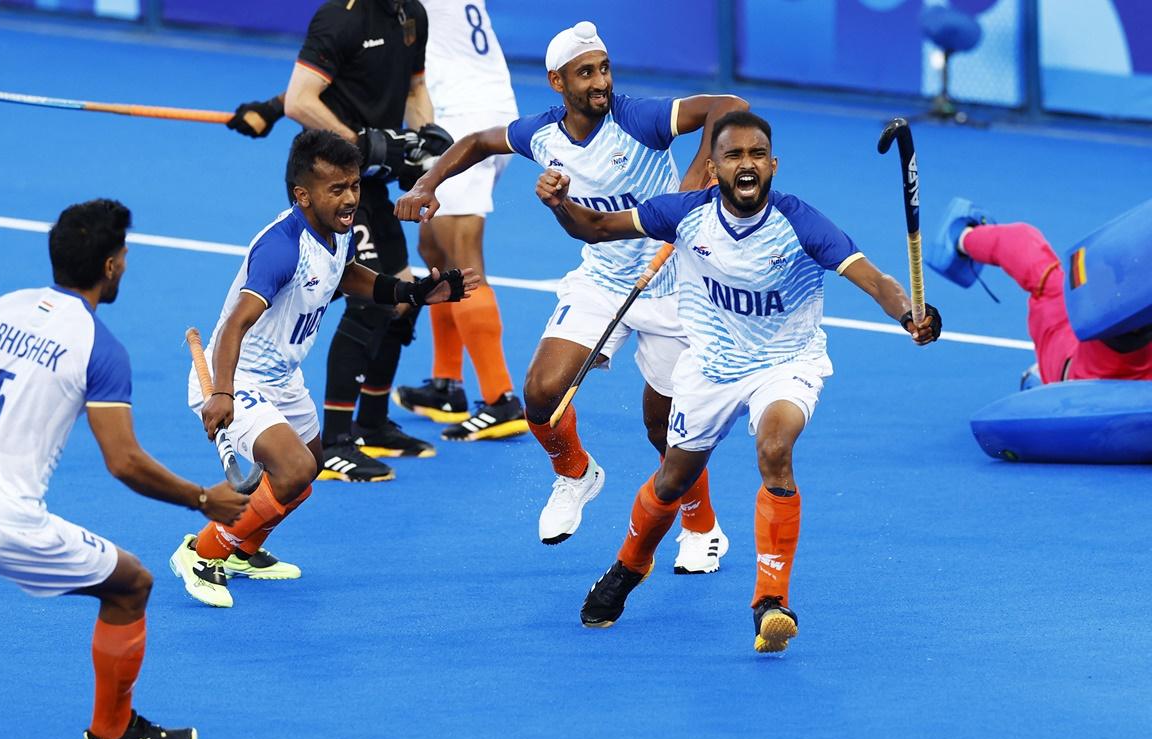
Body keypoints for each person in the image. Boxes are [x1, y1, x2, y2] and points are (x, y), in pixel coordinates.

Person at [535, 111, 941, 652]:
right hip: (710, 366)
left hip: (785, 363)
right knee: (673, 480)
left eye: (756, 155)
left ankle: (770, 602)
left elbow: (873, 279)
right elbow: (596, 228)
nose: (745, 164)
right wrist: (561, 203)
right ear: (715, 166)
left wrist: (908, 312)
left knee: (775, 447)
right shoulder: (685, 215)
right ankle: (629, 566)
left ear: (772, 164)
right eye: (732, 155)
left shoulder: (801, 223)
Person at [396, 21, 748, 574]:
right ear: (557, 81)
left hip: (675, 283)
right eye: (587, 72)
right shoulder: (543, 136)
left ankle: (702, 527)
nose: (601, 81)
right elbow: (476, 142)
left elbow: (728, 103)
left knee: (666, 427)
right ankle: (576, 473)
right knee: (541, 393)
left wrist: (698, 172)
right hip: (604, 278)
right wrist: (426, 185)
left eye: (605, 67)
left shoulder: (639, 119)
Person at [0, 199, 250, 739]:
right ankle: (113, 735)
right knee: (131, 584)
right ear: (111, 266)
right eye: (124, 254)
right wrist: (202, 499)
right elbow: (125, 462)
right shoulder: (100, 347)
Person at [171, 130, 475, 609]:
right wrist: (223, 395)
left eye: (354, 185)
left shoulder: (338, 232)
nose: (351, 197)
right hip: (237, 377)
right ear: (303, 195)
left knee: (306, 470)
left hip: (282, 380)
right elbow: (233, 328)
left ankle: (243, 549)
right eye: (337, 189)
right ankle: (203, 552)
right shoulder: (281, 248)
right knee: (290, 469)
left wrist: (412, 294)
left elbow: (347, 274)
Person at [226, 0, 455, 480]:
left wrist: (424, 135)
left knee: (401, 300)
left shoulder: (412, 13)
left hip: (371, 182)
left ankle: (371, 423)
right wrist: (361, 143)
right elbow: (301, 99)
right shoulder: (341, 16)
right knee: (369, 301)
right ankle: (334, 439)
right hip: (335, 184)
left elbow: (413, 87)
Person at [391, 0, 528, 442]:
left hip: (463, 122)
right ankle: (447, 386)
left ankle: (500, 398)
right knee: (434, 246)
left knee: (464, 258)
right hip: (487, 112)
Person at [927, 198, 1152, 385]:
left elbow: (1018, 243)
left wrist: (965, 237)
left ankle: (962, 238)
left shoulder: (1055, 301)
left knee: (1037, 265)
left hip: (1069, 372)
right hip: (1073, 376)